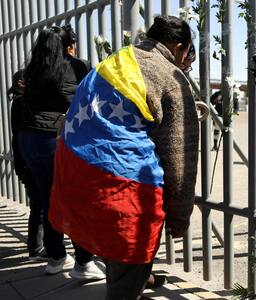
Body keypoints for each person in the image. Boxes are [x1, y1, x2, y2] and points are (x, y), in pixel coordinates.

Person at [49, 15, 199, 299]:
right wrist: (179, 217)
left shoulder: (116, 61)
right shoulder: (170, 77)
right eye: (188, 53)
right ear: (179, 47)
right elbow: (180, 157)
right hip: (122, 189)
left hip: (73, 173)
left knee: (114, 249)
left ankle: (136, 279)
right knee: (130, 261)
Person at [19, 25, 104, 280]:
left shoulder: (33, 69)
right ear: (68, 46)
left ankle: (56, 258)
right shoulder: (77, 66)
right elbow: (92, 101)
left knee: (48, 199)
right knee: (75, 201)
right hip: (55, 140)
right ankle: (84, 263)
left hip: (28, 139)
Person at [8, 70, 47, 261]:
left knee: (38, 206)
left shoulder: (18, 102)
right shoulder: (21, 103)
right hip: (29, 162)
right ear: (23, 83)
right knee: (39, 206)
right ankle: (37, 248)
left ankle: (38, 247)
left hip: (26, 162)